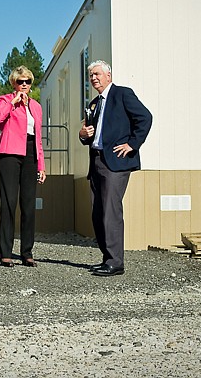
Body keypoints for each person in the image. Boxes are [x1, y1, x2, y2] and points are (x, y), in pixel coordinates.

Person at [79, 60, 152, 276]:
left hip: (116, 163)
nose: (93, 78)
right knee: (97, 212)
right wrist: (82, 135)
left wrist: (132, 144)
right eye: (91, 75)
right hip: (96, 162)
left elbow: (145, 118)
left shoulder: (122, 94)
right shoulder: (94, 103)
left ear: (108, 76)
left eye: (97, 74)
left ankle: (115, 262)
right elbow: (88, 133)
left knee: (111, 211)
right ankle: (107, 258)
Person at [0, 66, 46, 267]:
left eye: (27, 82)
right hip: (10, 154)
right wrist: (13, 103)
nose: (24, 85)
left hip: (31, 154)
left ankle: (27, 252)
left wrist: (42, 165)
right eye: (20, 81)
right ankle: (5, 252)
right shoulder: (6, 100)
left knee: (29, 206)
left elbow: (38, 138)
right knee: (9, 202)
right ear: (14, 83)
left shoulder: (37, 106)